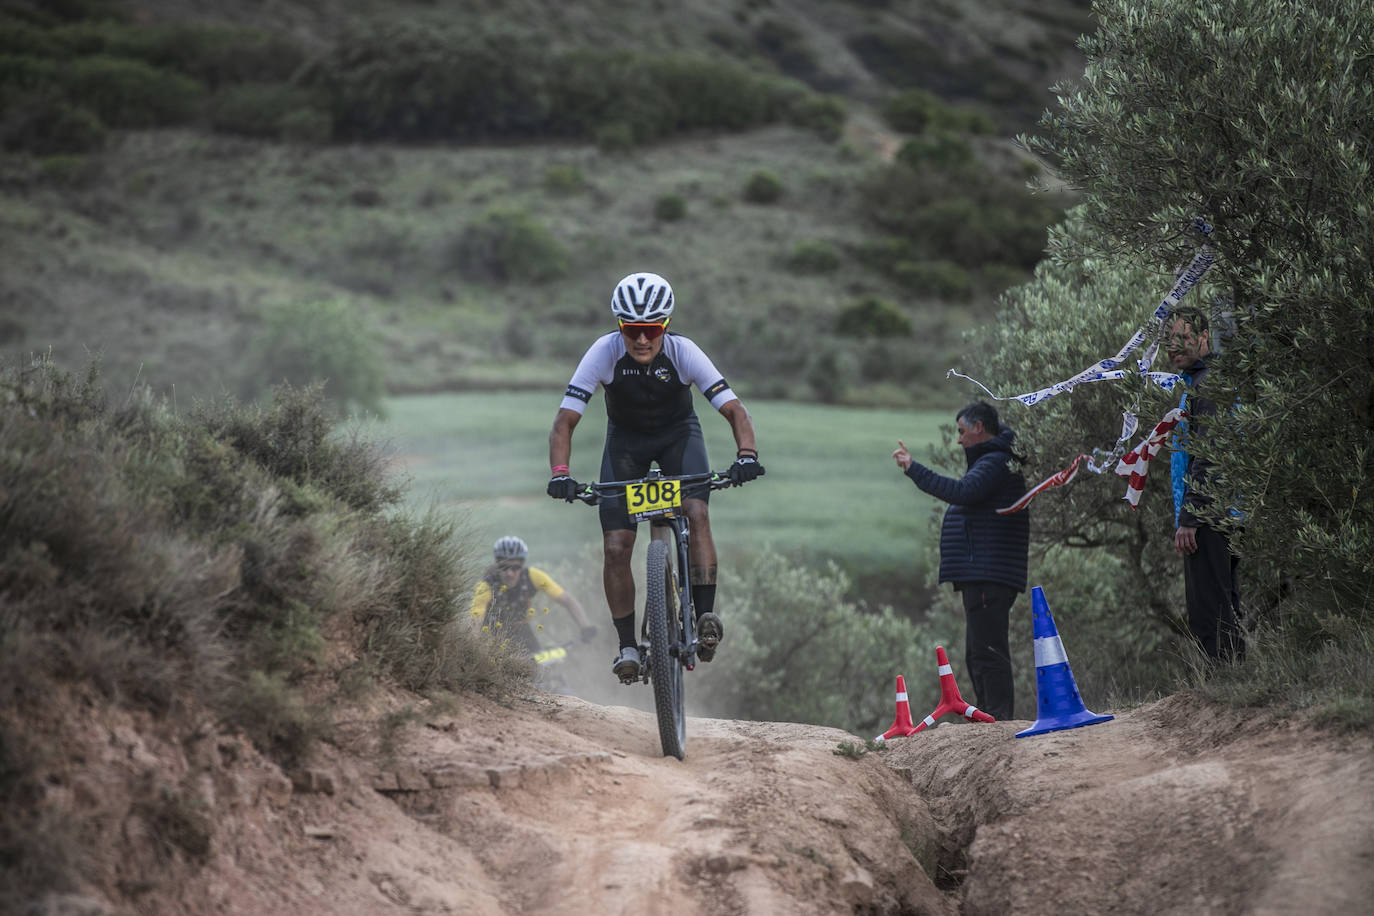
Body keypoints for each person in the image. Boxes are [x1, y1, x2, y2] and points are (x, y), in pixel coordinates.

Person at [546, 271, 764, 683]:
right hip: (625, 445)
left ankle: (704, 618)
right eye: (632, 330)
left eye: (650, 329)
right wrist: (561, 474)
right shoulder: (604, 352)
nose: (641, 339)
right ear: (620, 327)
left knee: (696, 512)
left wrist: (747, 455)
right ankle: (627, 645)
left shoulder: (683, 351)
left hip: (678, 438)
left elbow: (735, 410)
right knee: (615, 546)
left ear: (664, 326)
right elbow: (564, 422)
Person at [891, 401, 1028, 721]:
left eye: (962, 431)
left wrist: (913, 468)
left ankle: (998, 718)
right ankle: (991, 716)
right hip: (983, 572)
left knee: (987, 651)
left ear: (979, 428)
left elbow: (962, 492)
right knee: (978, 652)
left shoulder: (996, 462)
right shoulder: (994, 461)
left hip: (988, 573)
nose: (958, 439)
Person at [1165, 307, 1244, 663]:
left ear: (1204, 338)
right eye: (1170, 340)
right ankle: (1232, 682)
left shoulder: (1208, 384)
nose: (1175, 346)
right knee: (1220, 603)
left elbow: (1208, 453)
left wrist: (1190, 517)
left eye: (1183, 338)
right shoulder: (1198, 383)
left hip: (1212, 514)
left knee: (1210, 608)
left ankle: (1225, 685)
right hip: (1219, 511)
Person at [469, 536, 597, 657]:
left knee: (541, 669)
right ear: (497, 564)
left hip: (522, 631)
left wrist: (585, 626)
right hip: (492, 636)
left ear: (523, 564)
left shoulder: (533, 576)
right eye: (504, 567)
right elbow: (475, 619)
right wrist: (474, 645)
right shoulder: (486, 585)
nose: (510, 573)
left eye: (515, 568)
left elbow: (567, 600)